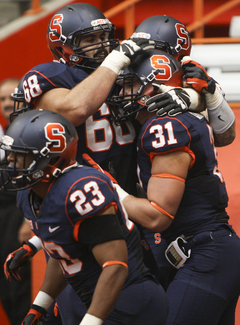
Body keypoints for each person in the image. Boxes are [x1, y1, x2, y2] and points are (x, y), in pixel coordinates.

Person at [107, 48, 240, 325]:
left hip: (206, 252)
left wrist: (109, 189)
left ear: (156, 87)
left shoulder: (163, 127)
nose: (120, 95)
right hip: (211, 249)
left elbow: (158, 215)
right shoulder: (177, 119)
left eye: (130, 85)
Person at [0, 109, 169, 325]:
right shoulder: (30, 193)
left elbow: (115, 265)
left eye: (20, 154)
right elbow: (64, 251)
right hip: (94, 299)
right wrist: (40, 305)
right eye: (10, 153)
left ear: (49, 158)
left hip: (129, 302)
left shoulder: (81, 190)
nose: (11, 160)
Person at [0, 78, 32, 325]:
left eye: (11, 97)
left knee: (18, 280)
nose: (7, 103)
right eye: (1, 100)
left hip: (17, 216)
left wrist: (27, 218)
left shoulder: (33, 129)